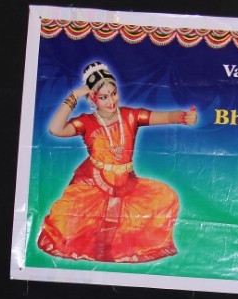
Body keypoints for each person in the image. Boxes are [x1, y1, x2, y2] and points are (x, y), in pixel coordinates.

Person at [36, 60, 197, 263]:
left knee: (167, 197)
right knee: (63, 220)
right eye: (103, 97)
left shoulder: (131, 115)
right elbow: (56, 129)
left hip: (127, 184)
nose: (111, 101)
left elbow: (166, 116)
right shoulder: (86, 122)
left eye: (114, 93)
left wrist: (183, 116)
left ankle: (121, 248)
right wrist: (75, 96)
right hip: (93, 184)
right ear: (92, 99)